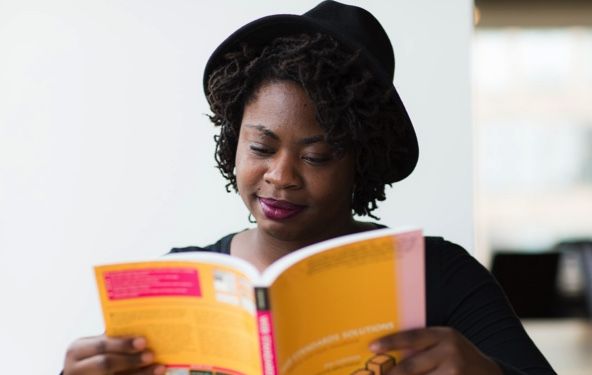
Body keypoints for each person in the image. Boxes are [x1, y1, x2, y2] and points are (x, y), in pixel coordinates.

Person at [62, 1, 555, 374]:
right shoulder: (179, 280)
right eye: (260, 148)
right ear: (234, 142)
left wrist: (484, 372)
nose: (281, 176)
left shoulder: (438, 276)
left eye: (316, 156)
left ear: (362, 163)